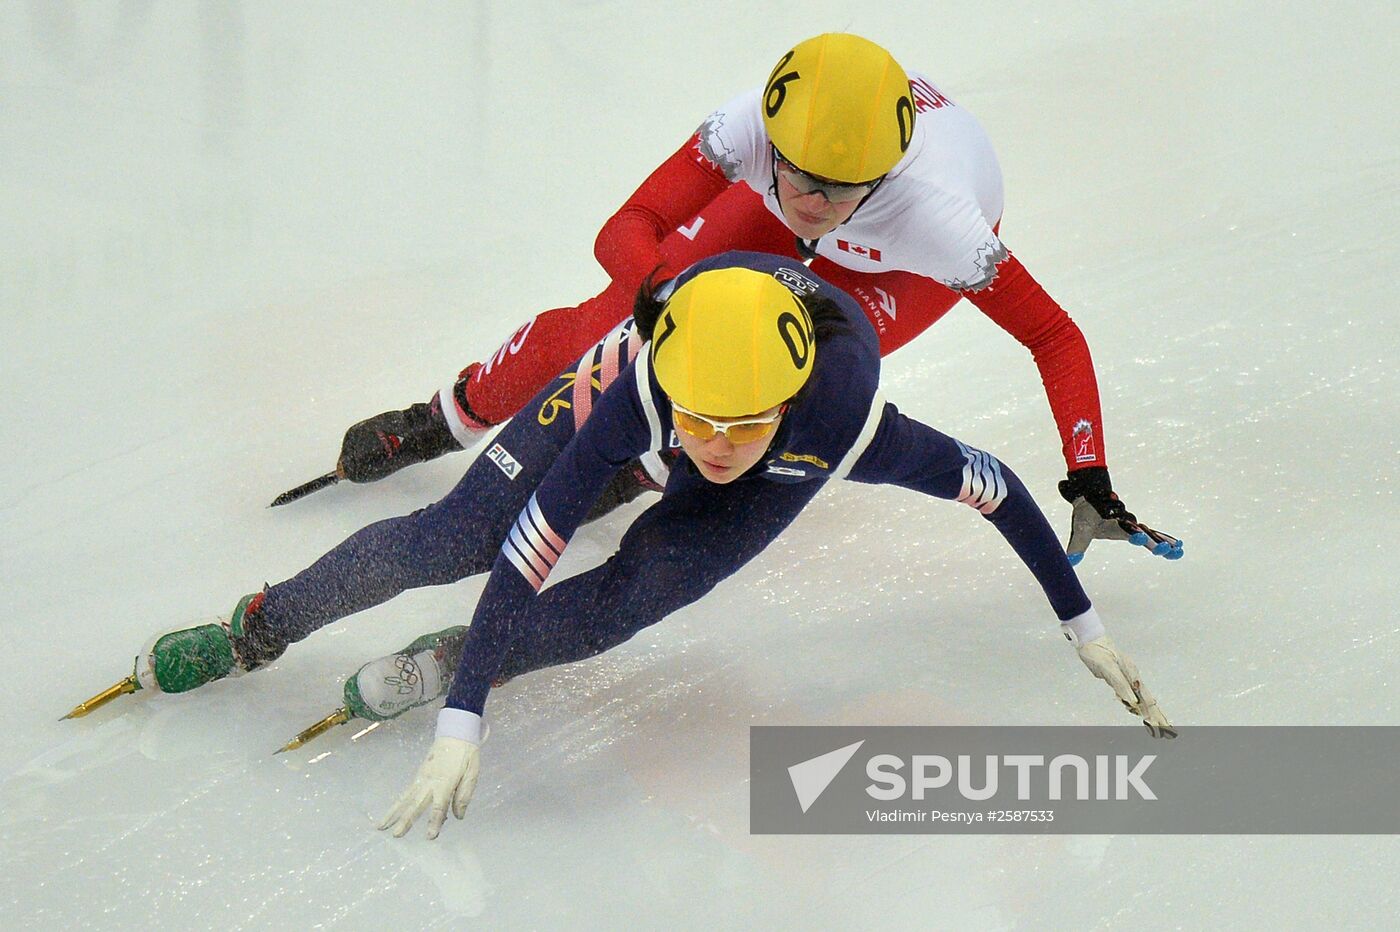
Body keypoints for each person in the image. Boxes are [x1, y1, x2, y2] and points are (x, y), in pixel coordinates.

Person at [120, 251, 1173, 841]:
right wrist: (462, 721)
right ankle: (259, 625)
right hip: (624, 398)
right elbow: (522, 549)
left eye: (743, 426)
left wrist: (1078, 624)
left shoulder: (841, 417)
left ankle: (471, 647)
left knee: (631, 592)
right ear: (669, 396)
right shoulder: (637, 397)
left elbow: (992, 488)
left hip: (749, 423)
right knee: (449, 536)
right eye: (700, 424)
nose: (716, 449)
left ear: (789, 407)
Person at [320, 32, 1180, 565]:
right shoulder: (752, 131)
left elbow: (1054, 336)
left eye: (844, 191)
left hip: (890, 272)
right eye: (798, 177)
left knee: (763, 383)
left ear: (885, 175)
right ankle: (446, 414)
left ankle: (650, 466)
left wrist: (1088, 471)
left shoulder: (942, 226)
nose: (813, 205)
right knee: (604, 324)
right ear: (772, 138)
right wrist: (656, 292)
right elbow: (630, 226)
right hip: (810, 216)